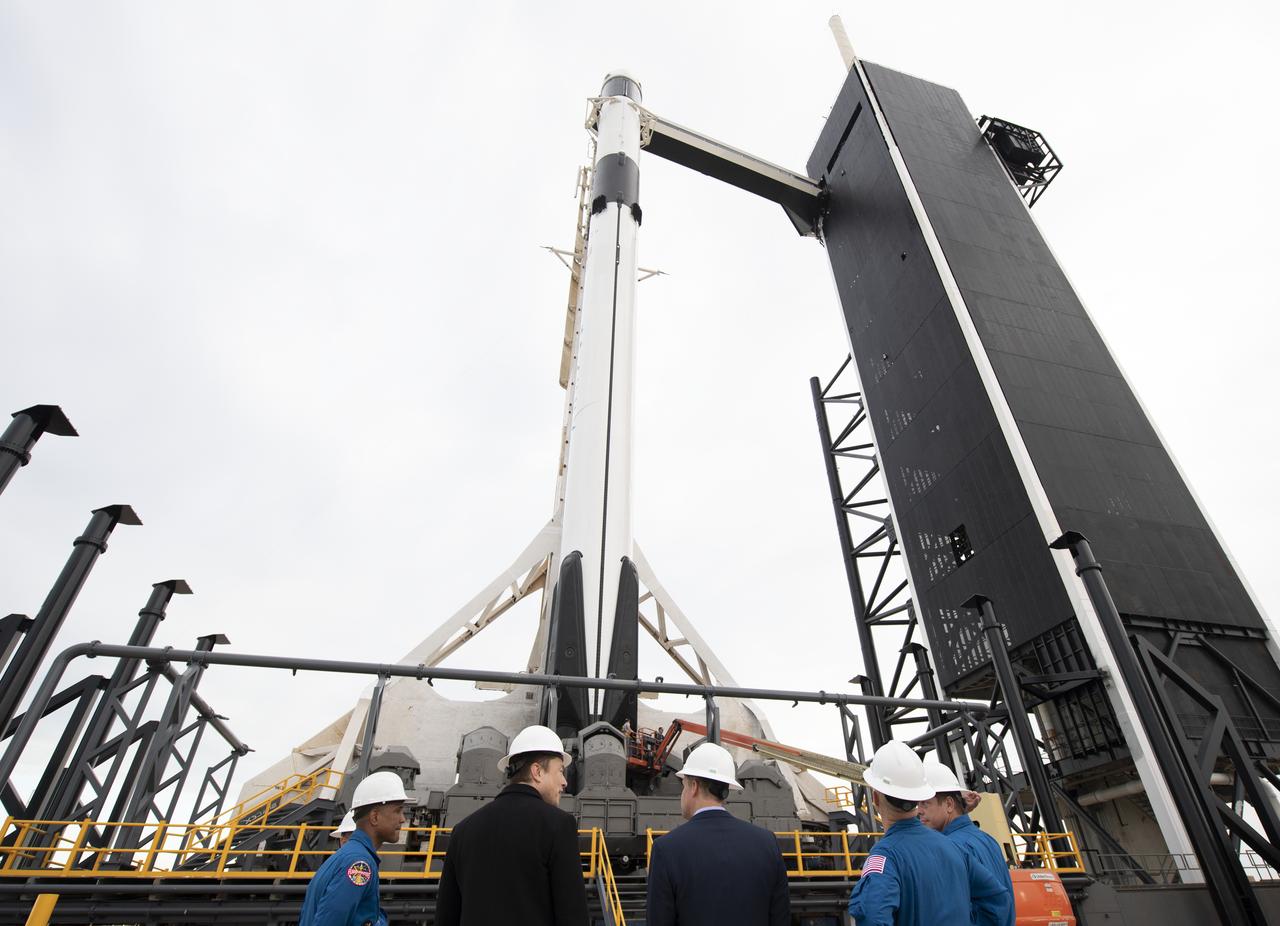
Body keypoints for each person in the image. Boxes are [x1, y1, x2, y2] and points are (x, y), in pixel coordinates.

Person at [436, 724, 588, 926]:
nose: (564, 782)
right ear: (537, 772)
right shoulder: (559, 826)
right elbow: (573, 916)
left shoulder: (463, 830)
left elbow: (446, 917)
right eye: (560, 771)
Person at [847, 741, 1006, 926]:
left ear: (875, 798)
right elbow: (998, 899)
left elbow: (872, 916)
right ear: (918, 796)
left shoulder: (884, 856)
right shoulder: (954, 847)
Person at [646, 741, 790, 926]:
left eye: (684, 786)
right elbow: (780, 919)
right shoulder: (767, 843)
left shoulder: (666, 850)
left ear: (694, 786)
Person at [298, 770, 409, 926]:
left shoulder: (349, 855)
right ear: (375, 817)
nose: (403, 819)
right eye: (398, 810)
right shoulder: (359, 863)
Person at [918, 761, 1015, 926]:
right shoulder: (988, 840)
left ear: (949, 804)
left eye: (924, 803)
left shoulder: (951, 847)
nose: (919, 810)